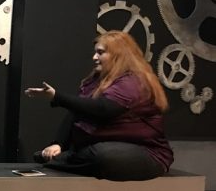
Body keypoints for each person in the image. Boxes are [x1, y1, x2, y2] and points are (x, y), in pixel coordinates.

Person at [24, 30, 174, 181]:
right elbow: (77, 111)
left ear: (118, 55)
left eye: (100, 53)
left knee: (103, 154)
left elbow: (105, 108)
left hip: (146, 153)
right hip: (105, 146)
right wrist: (58, 144)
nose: (94, 57)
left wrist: (57, 96)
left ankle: (61, 160)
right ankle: (65, 157)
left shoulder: (134, 82)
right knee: (97, 152)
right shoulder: (97, 80)